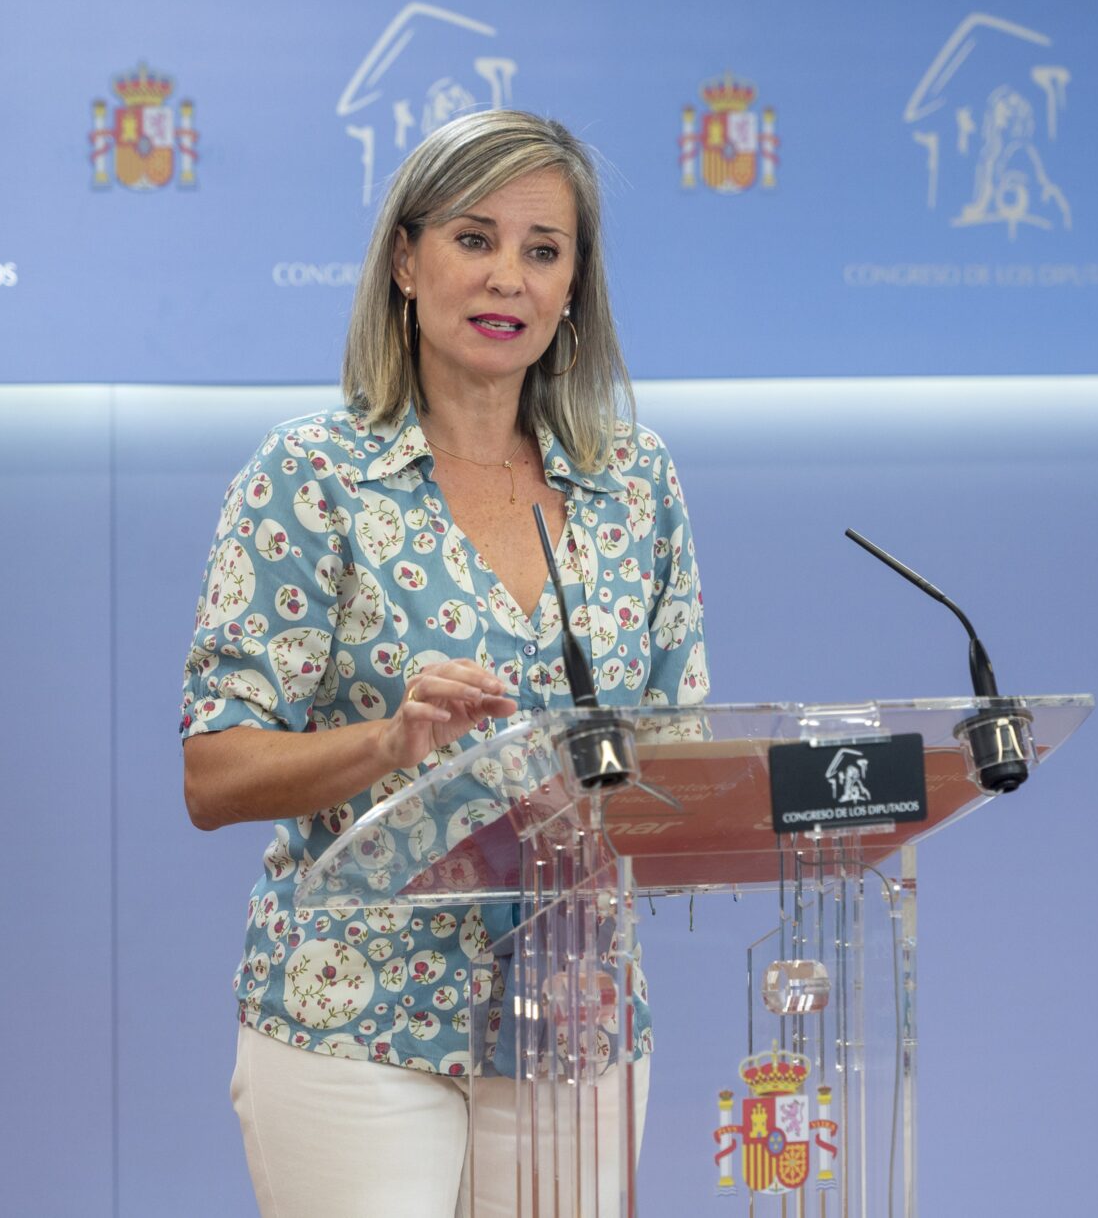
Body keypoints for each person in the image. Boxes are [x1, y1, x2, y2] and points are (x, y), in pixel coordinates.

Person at [179, 108, 708, 1216]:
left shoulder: (634, 484)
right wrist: (391, 740)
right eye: (475, 238)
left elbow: (680, 760)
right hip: (356, 1012)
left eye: (543, 249)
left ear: (573, 287)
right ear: (406, 262)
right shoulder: (312, 476)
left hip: (576, 1011)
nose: (508, 275)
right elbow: (215, 774)